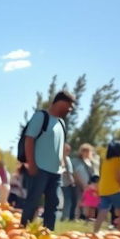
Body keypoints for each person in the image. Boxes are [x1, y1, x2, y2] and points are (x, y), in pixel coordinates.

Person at [20, 90, 75, 230]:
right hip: (39, 169)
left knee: (53, 204)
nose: (70, 109)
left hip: (55, 173)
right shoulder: (41, 116)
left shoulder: (62, 123)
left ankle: (47, 233)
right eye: (69, 105)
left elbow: (61, 146)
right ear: (60, 102)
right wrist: (31, 164)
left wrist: (62, 164)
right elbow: (29, 140)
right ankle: (22, 232)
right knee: (33, 202)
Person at [94, 140, 120, 232]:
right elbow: (119, 177)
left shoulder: (106, 161)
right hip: (114, 190)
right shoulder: (118, 160)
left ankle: (95, 231)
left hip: (104, 189)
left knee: (103, 210)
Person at [72, 143, 96, 220]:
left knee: (89, 202)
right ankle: (76, 216)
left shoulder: (91, 162)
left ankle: (87, 217)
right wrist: (80, 183)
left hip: (89, 185)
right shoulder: (76, 161)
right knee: (79, 200)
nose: (85, 152)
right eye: (84, 150)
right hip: (79, 184)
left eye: (87, 151)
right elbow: (74, 173)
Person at [60, 143, 77, 221]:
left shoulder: (60, 158)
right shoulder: (66, 159)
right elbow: (69, 172)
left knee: (67, 200)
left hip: (62, 182)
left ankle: (65, 216)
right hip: (67, 183)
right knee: (68, 200)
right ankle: (65, 216)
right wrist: (72, 182)